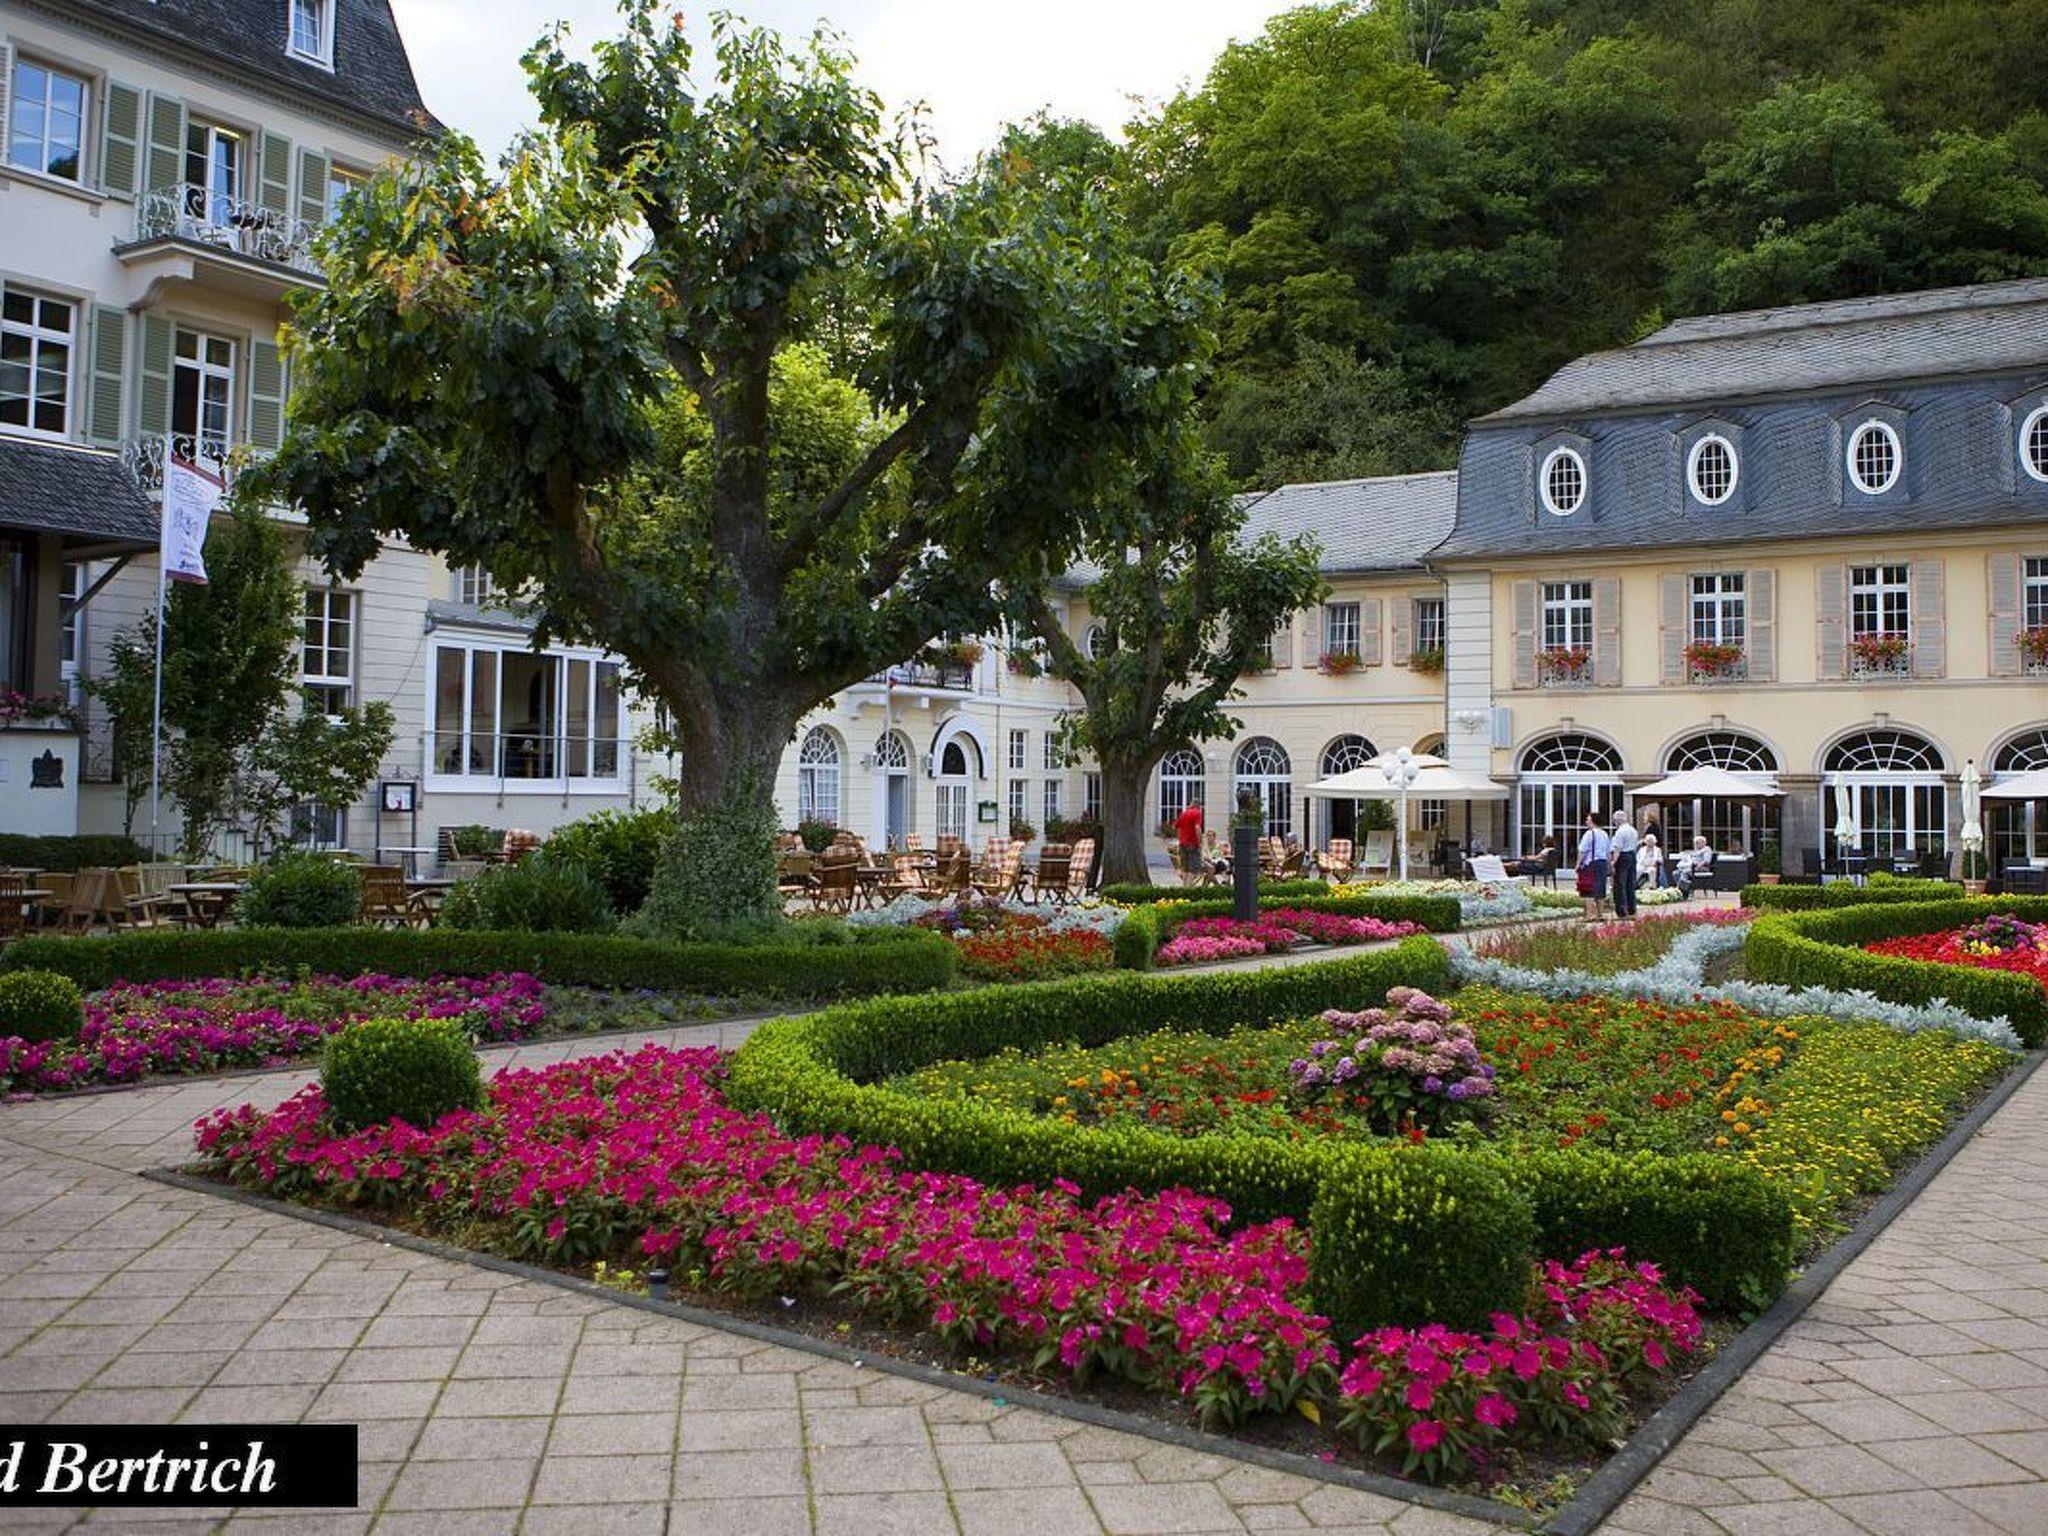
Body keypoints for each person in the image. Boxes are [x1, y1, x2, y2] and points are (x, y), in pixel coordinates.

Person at [1576, 810, 1612, 921]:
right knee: (1600, 889)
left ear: (1593, 821)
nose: (1586, 821)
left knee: (1588, 889)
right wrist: (1609, 864)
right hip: (1602, 863)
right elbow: (1608, 851)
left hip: (1591, 863)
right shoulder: (1604, 834)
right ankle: (1600, 914)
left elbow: (1583, 850)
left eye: (1588, 819)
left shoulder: (1589, 834)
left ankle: (1589, 915)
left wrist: (1578, 864)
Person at [1610, 810, 1641, 918]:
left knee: (1620, 884)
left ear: (1617, 821)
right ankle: (1632, 909)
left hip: (1623, 856)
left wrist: (1613, 862)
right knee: (1630, 883)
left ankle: (1622, 911)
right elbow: (1635, 844)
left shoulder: (1620, 832)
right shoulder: (1633, 830)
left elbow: (1617, 848)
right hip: (1632, 855)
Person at [1173, 799, 1205, 881]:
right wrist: (1200, 842)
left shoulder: (1184, 813)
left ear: (1191, 804)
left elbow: (1176, 826)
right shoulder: (1197, 813)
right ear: (1199, 806)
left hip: (1182, 844)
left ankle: (1185, 887)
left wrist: (1180, 838)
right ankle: (1189, 888)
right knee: (1193, 869)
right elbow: (1197, 827)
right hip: (1192, 843)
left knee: (1185, 868)